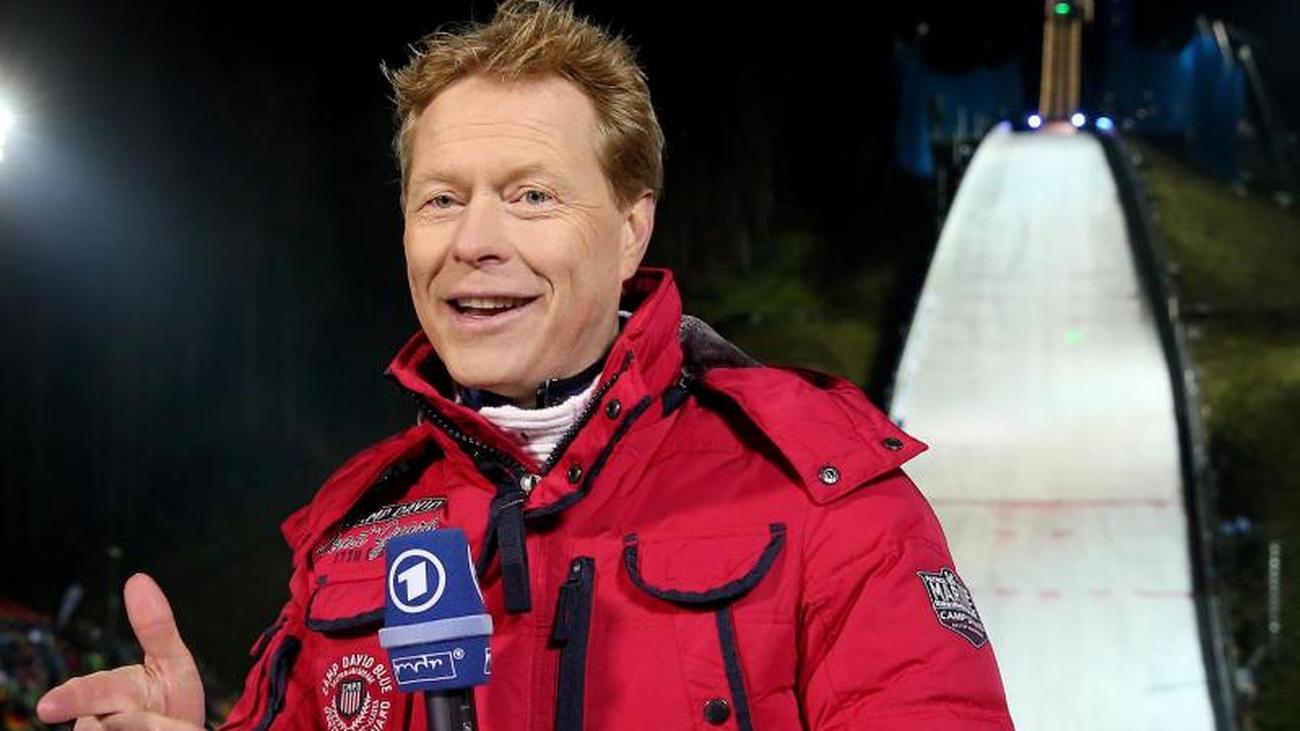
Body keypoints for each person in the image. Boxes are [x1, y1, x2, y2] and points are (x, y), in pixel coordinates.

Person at [36, 1, 1016, 729]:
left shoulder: (822, 494)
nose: (474, 241)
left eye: (531, 195)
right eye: (440, 200)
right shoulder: (351, 532)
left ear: (630, 228)